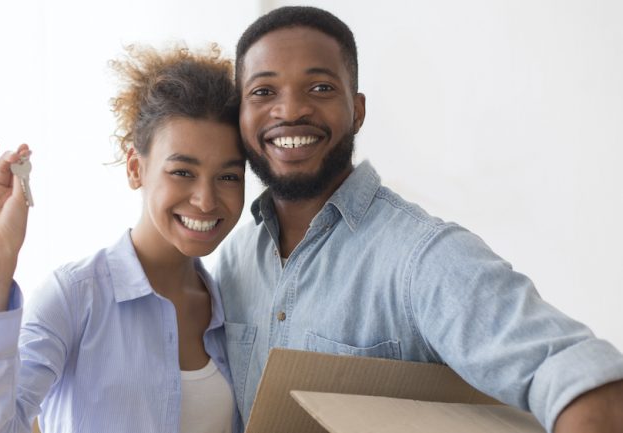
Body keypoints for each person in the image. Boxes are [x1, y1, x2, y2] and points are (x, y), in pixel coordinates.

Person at [213, 6, 623, 433]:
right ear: (239, 116)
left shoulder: (423, 258)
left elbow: (586, 382)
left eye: (320, 87)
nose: (292, 110)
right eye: (263, 92)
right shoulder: (232, 262)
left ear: (357, 111)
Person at [0, 44, 245, 433]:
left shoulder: (232, 307)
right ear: (136, 168)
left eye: (229, 176)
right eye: (183, 172)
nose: (206, 199)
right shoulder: (74, 296)